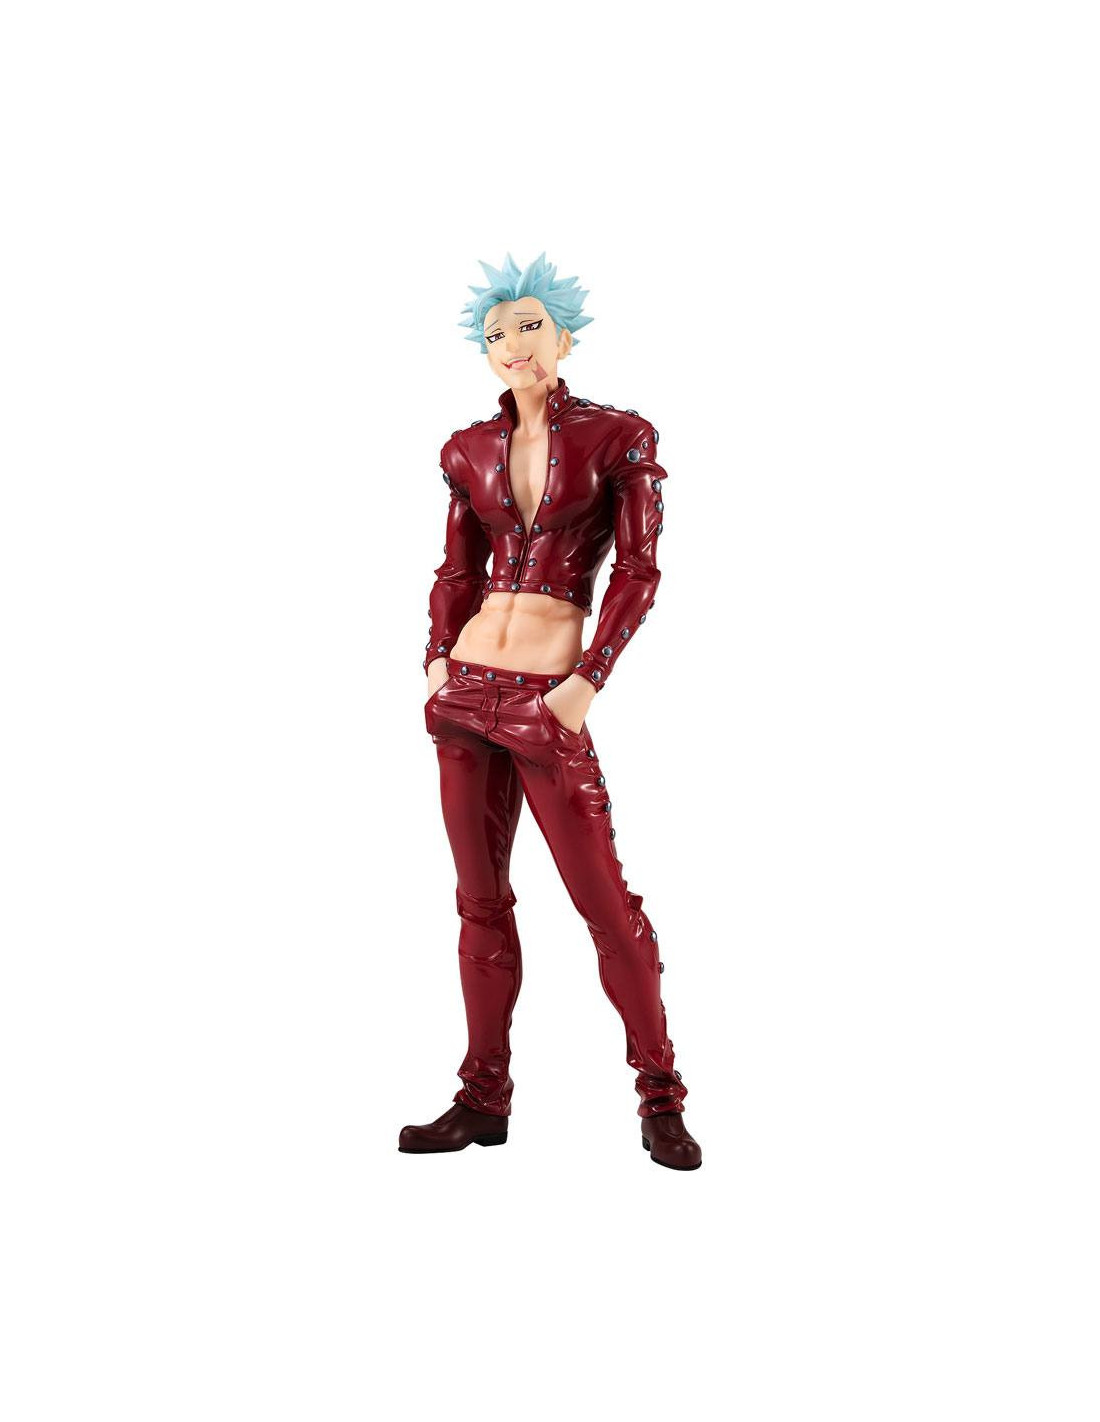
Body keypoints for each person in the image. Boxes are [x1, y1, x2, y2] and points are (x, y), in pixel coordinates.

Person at [398, 254, 702, 1170]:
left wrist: (586, 682)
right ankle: (481, 1098)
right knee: (478, 904)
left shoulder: (619, 436)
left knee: (606, 905)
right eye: (496, 333)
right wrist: (435, 663)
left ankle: (660, 1096)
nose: (513, 344)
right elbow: (455, 572)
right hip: (465, 694)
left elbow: (638, 572)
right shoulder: (466, 450)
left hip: (548, 699)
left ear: (565, 336)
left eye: (529, 325)